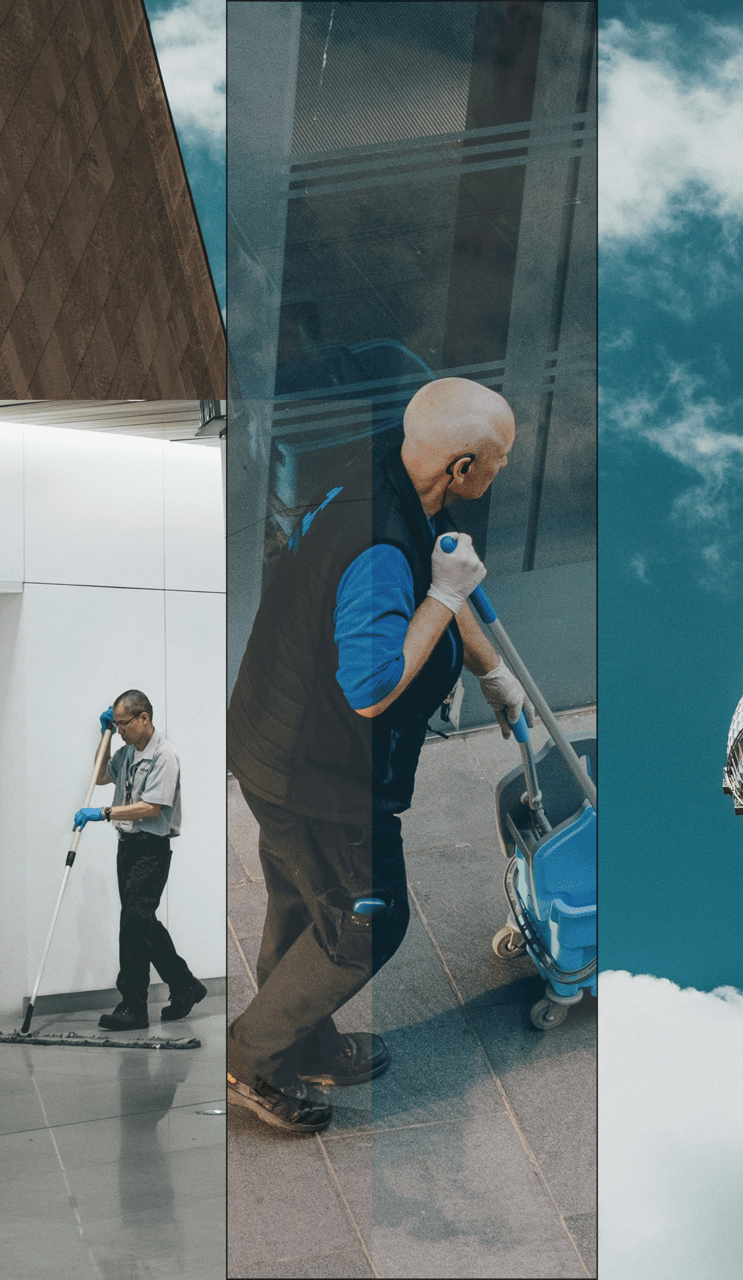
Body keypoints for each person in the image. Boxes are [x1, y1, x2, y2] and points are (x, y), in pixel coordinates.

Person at [224, 377, 529, 1133]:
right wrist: (449, 599)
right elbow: (371, 687)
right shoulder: (383, 549)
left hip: (271, 741)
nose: (503, 472)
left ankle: (306, 1039)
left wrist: (490, 671)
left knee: (304, 898)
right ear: (461, 468)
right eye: (499, 459)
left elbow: (435, 580)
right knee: (365, 924)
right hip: (322, 779)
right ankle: (251, 1059)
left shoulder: (382, 478)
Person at [72, 690, 206, 1032]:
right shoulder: (126, 752)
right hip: (127, 847)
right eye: (115, 725)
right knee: (143, 923)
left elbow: (151, 808)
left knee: (133, 925)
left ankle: (133, 1007)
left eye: (123, 725)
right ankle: (186, 985)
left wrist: (102, 812)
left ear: (143, 718)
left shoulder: (165, 756)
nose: (120, 731)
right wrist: (102, 738)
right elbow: (101, 776)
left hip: (151, 849)